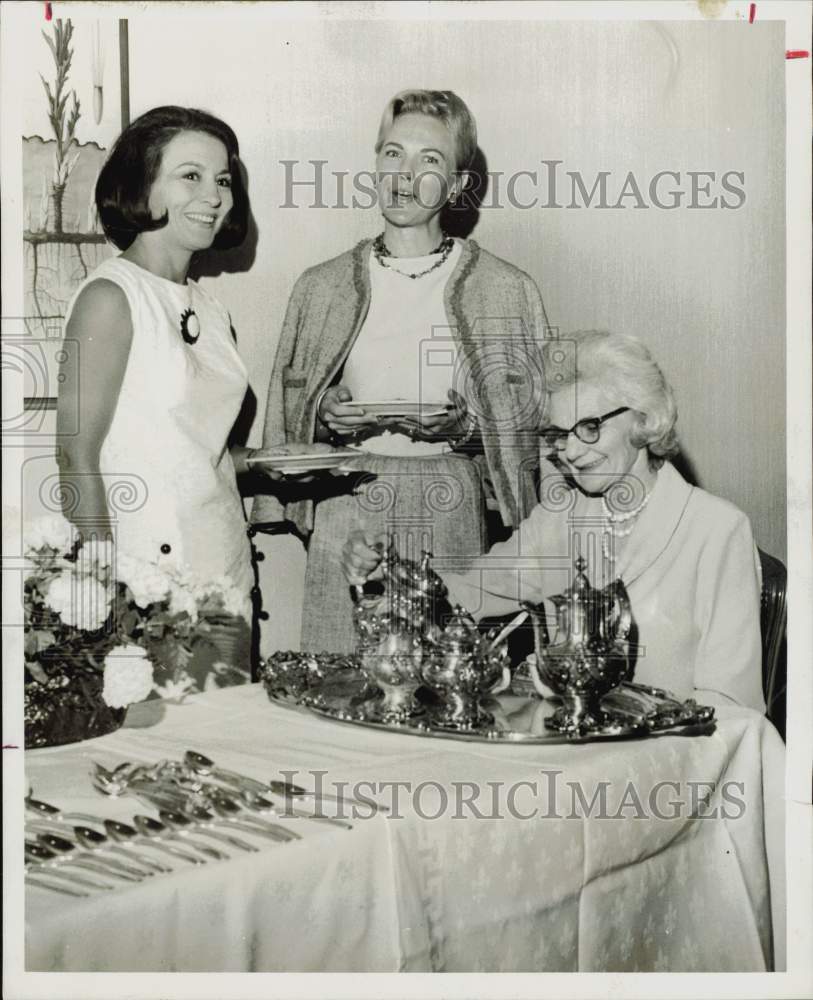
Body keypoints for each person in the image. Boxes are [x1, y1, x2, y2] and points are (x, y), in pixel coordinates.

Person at [252, 89, 549, 654]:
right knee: (339, 679)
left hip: (449, 499)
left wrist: (463, 428)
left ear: (459, 184)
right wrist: (324, 411)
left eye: (429, 159)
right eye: (393, 153)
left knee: (450, 684)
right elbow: (291, 418)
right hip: (349, 497)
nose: (405, 174)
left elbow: (533, 431)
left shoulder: (506, 290)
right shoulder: (322, 286)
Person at [343, 329, 766, 711]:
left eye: (590, 427)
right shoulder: (561, 517)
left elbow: (730, 706)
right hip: (566, 748)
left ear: (644, 418)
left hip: (667, 763)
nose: (572, 452)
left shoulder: (717, 530)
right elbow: (470, 593)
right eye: (558, 434)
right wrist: (394, 573)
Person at [57, 105, 259, 686]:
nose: (215, 195)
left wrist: (270, 463)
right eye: (190, 176)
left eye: (223, 179)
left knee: (215, 764)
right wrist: (100, 597)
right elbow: (76, 455)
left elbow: (195, 453)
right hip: (149, 588)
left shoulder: (212, 311)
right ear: (142, 185)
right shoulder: (110, 297)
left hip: (225, 573)